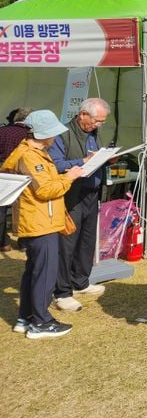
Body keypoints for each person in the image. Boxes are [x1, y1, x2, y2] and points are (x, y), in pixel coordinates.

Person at [1, 110, 83, 338]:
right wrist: (70, 177)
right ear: (43, 133)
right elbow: (46, 190)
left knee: (35, 272)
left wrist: (63, 175)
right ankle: (41, 322)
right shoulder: (31, 156)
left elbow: (45, 181)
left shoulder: (34, 152)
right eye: (53, 133)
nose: (55, 138)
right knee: (44, 273)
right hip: (40, 222)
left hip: (41, 220)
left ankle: (26, 317)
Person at [49, 98, 111, 312]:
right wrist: (82, 162)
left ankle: (81, 281)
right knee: (66, 244)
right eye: (96, 120)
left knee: (86, 241)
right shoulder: (61, 134)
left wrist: (106, 158)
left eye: (102, 122)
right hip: (71, 196)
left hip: (91, 194)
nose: (98, 125)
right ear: (83, 114)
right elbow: (55, 165)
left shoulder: (93, 133)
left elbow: (94, 158)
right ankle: (62, 292)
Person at [0, 107, 33, 251]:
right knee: (24, 209)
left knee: (1, 209)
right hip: (24, 175)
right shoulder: (31, 135)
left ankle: (3, 242)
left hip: (3, 172)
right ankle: (24, 242)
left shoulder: (2, 131)